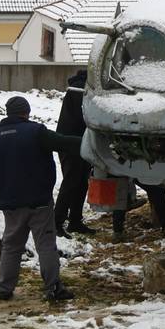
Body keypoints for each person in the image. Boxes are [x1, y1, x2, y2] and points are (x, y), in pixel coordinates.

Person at [0, 95, 81, 302]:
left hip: (11, 204)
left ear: (8, 113)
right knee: (45, 245)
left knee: (11, 246)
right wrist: (89, 142)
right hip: (39, 201)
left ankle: (4, 288)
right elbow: (64, 143)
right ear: (26, 112)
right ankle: (53, 288)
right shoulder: (36, 132)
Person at [53, 70, 94, 237]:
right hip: (71, 144)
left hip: (80, 143)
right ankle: (56, 222)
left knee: (81, 183)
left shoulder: (80, 88)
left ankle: (75, 221)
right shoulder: (78, 90)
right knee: (71, 182)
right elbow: (85, 116)